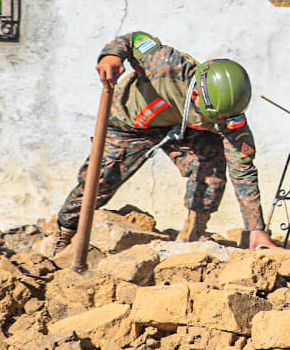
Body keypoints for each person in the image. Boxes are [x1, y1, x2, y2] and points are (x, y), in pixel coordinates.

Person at [53, 32, 278, 252]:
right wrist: (111, 56)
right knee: (100, 179)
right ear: (196, 95)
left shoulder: (228, 114)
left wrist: (255, 228)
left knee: (210, 165)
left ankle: (191, 239)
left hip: (183, 128)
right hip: (131, 124)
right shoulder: (166, 65)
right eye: (216, 117)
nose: (221, 122)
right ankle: (64, 231)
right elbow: (133, 40)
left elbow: (242, 169)